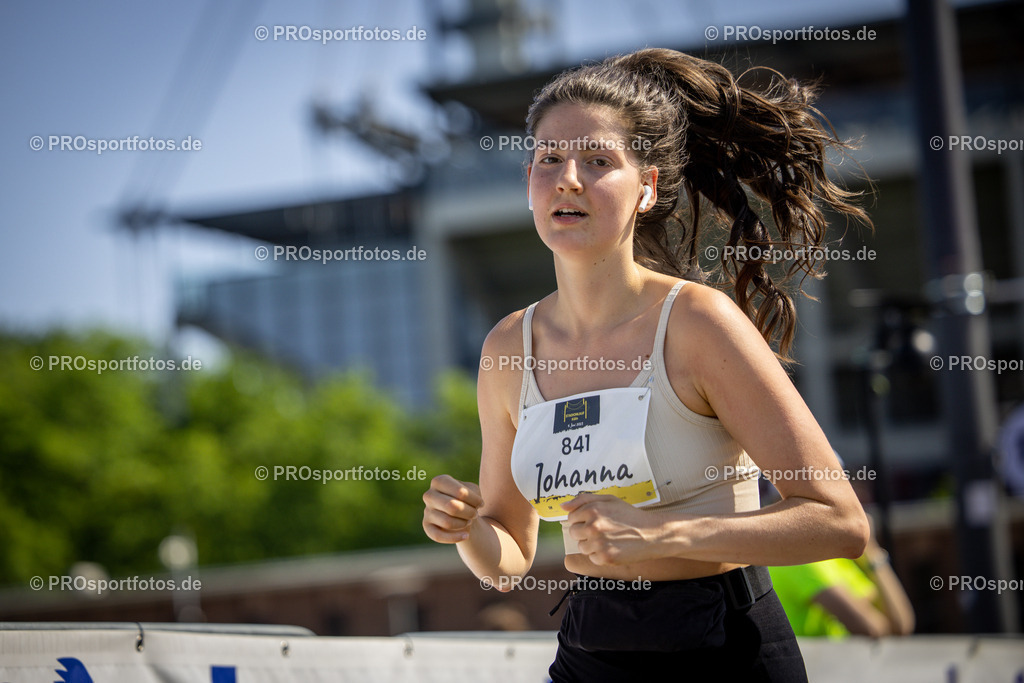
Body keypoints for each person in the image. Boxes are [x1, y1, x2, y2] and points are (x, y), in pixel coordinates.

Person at [422, 47, 872, 682]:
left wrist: (664, 538)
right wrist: (464, 528)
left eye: (598, 161)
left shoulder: (698, 324)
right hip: (590, 645)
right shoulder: (505, 350)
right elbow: (509, 559)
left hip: (723, 650)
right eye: (550, 160)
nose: (568, 178)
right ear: (529, 182)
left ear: (647, 188)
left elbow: (838, 522)